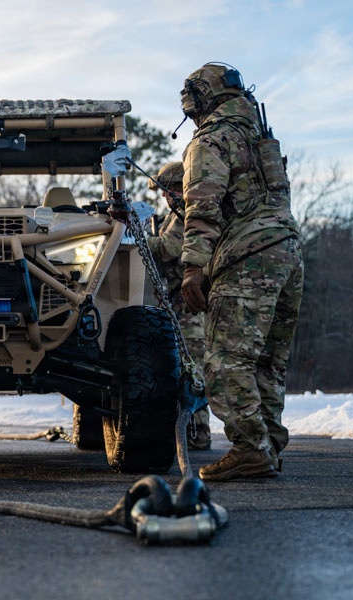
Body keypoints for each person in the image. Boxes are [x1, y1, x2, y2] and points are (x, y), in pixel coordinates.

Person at [177, 63, 304, 481]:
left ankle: (251, 447)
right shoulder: (259, 136)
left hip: (247, 259)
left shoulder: (211, 140)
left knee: (225, 360)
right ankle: (267, 443)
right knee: (268, 360)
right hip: (287, 253)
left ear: (200, 99)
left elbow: (202, 208)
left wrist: (193, 267)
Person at [146, 162, 211, 450]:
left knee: (191, 370)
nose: (164, 197)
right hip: (179, 303)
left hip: (189, 308)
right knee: (185, 368)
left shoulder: (185, 214)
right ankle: (192, 434)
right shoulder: (180, 214)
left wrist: (136, 239)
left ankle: (198, 433)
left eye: (167, 191)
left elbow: (167, 249)